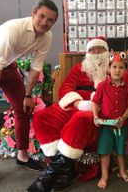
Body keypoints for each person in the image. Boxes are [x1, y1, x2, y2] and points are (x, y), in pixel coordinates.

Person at [0, 0, 58, 188]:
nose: (44, 22)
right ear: (34, 13)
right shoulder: (13, 30)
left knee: (23, 108)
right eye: (42, 16)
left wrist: (27, 95)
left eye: (50, 20)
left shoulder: (47, 36)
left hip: (7, 65)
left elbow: (36, 68)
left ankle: (22, 155)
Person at [27, 37, 111, 192]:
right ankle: (65, 170)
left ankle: (48, 177)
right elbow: (65, 88)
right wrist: (78, 103)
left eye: (101, 49)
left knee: (81, 119)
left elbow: (119, 94)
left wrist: (95, 105)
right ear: (87, 52)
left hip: (99, 112)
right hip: (74, 105)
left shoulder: (114, 69)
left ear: (107, 52)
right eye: (93, 49)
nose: (97, 52)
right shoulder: (79, 68)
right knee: (42, 117)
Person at [92, 50, 128, 189]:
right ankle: (105, 175)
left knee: (121, 150)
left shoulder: (127, 88)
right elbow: (96, 102)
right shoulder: (102, 86)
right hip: (106, 126)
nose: (117, 70)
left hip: (122, 125)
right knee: (105, 151)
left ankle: (122, 171)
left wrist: (124, 117)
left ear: (125, 70)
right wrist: (95, 116)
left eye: (121, 67)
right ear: (109, 69)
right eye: (114, 67)